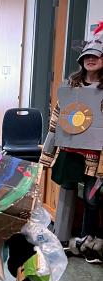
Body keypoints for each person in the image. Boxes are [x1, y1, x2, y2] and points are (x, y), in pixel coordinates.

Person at [39, 27, 103, 263]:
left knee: (91, 198)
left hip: (95, 157)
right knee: (66, 192)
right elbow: (58, 117)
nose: (91, 59)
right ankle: (62, 239)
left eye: (96, 56)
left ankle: (88, 243)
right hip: (69, 150)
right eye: (87, 56)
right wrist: (48, 150)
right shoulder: (70, 85)